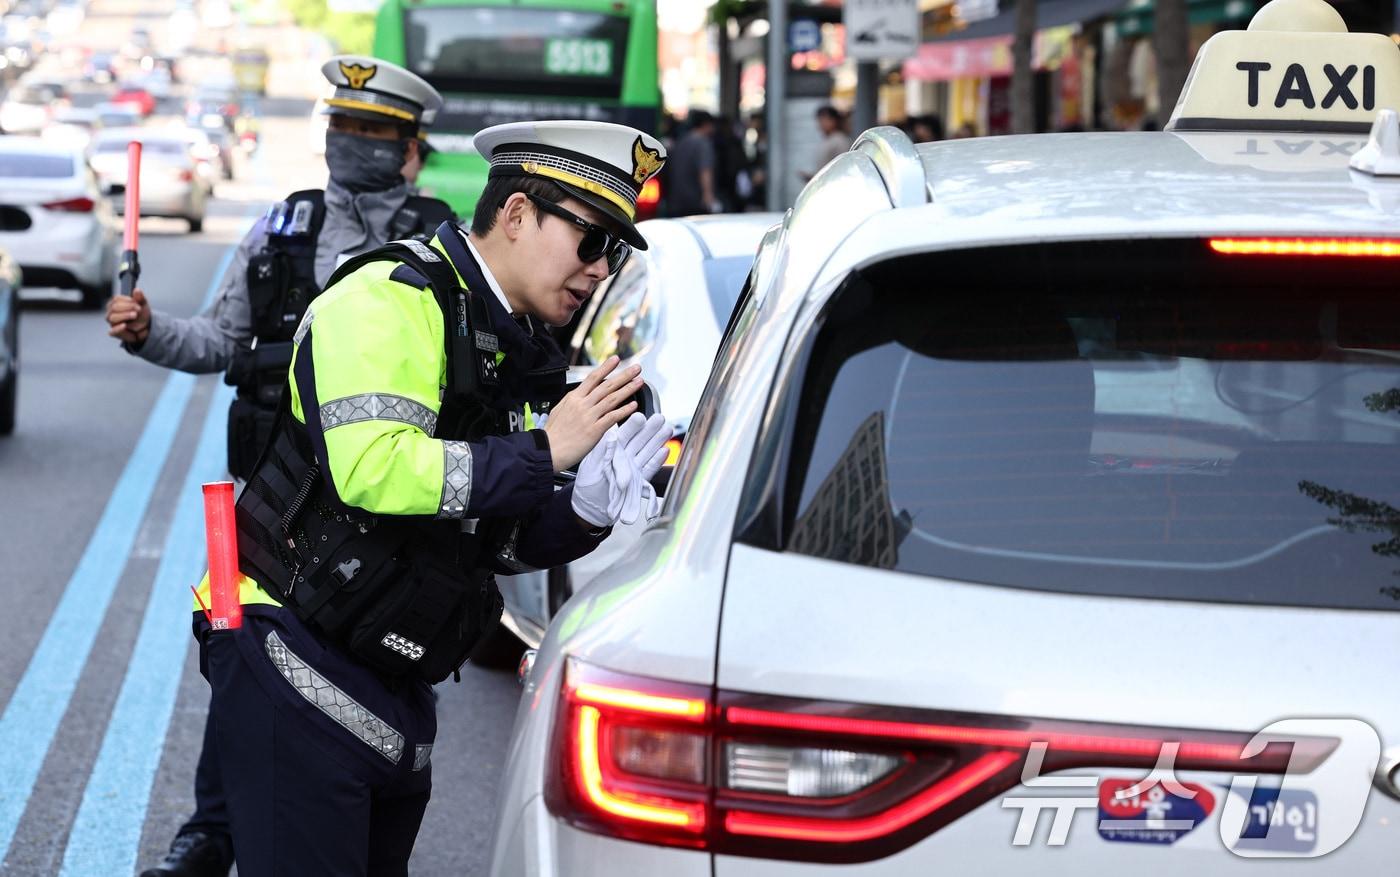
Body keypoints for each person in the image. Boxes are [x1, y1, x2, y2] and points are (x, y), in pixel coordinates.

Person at [198, 119, 672, 875]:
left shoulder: (508, 343)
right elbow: (373, 469)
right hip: (298, 660)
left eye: (614, 253)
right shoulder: (388, 299)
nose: (599, 270)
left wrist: (580, 507)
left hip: (388, 685)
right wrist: (545, 450)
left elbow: (487, 537)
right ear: (517, 214)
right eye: (592, 241)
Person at [114, 56, 456, 877]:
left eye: (376, 133)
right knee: (239, 660)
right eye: (344, 128)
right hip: (262, 511)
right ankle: (211, 832)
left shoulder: (440, 242)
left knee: (373, 672)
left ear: (411, 151)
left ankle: (359, 823)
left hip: (386, 518)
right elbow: (221, 342)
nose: (355, 145)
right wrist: (147, 331)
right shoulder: (283, 226)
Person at [662, 108, 719, 216]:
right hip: (695, 203)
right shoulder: (703, 144)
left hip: (676, 200)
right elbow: (705, 170)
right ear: (706, 124)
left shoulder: (681, 141)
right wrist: (708, 195)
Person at [800, 104, 852, 183]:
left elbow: (844, 168)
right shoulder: (828, 140)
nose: (821, 124)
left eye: (824, 120)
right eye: (819, 121)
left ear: (834, 120)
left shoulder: (839, 140)